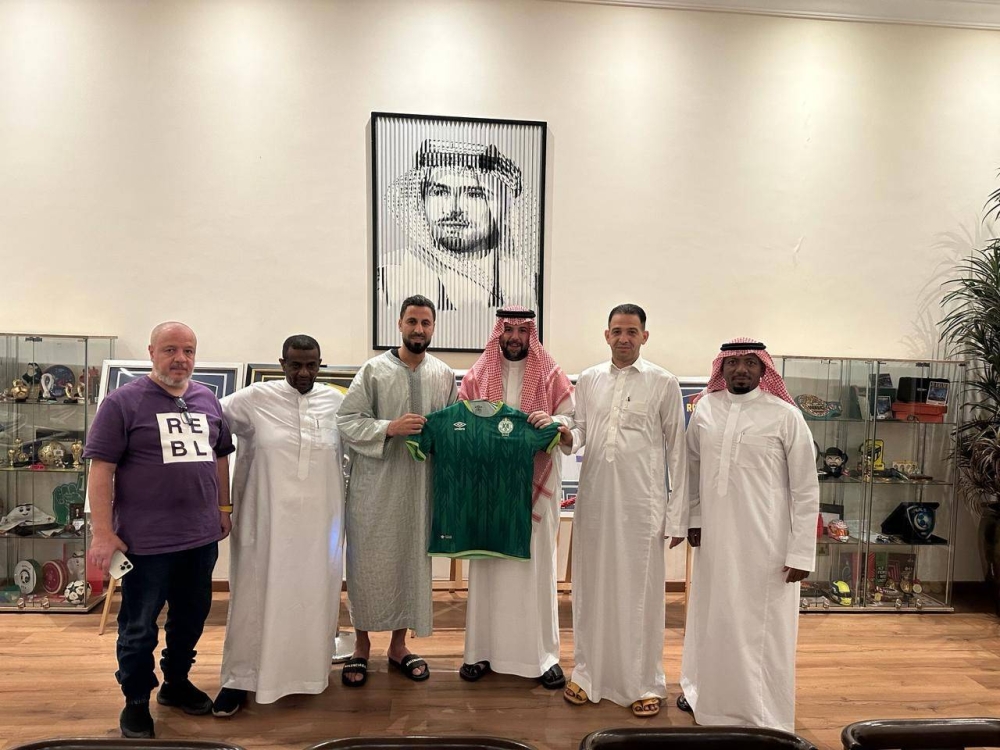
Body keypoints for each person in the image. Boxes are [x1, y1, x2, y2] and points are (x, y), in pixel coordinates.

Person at [85, 321, 235, 738]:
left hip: (200, 538)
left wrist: (223, 507)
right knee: (138, 627)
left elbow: (221, 456)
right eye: (170, 350)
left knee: (190, 618)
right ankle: (135, 701)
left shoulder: (207, 399)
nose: (180, 359)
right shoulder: (122, 403)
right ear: (151, 352)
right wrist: (102, 532)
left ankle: (175, 683)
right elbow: (101, 469)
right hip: (144, 542)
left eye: (188, 350)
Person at [678, 338, 819, 732]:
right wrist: (694, 518)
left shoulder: (785, 416)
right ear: (721, 368)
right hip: (715, 540)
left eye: (750, 363)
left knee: (760, 629)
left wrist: (801, 551)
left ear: (763, 370)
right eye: (733, 362)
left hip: (767, 545)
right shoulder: (705, 410)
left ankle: (762, 712)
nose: (741, 369)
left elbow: (806, 488)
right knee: (712, 617)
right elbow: (692, 468)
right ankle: (705, 694)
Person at [562, 304, 688, 718]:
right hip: (596, 499)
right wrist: (566, 434)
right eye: (617, 331)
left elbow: (678, 450)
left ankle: (643, 682)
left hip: (642, 505)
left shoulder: (663, 382)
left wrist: (677, 514)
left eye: (632, 331)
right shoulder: (590, 379)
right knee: (592, 585)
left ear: (644, 336)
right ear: (606, 335)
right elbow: (581, 431)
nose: (624, 338)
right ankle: (587, 674)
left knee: (640, 592)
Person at [211, 335, 346, 717]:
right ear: (282, 363)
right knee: (254, 598)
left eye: (311, 365)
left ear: (320, 365)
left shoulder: (336, 402)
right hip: (265, 523)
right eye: (295, 365)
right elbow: (209, 421)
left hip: (320, 528)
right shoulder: (254, 398)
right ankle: (239, 679)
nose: (303, 372)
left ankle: (308, 675)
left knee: (311, 597)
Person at [336, 294, 457, 686]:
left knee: (411, 562)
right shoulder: (373, 370)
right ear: (400, 324)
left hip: (420, 491)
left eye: (425, 323)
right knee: (367, 564)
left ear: (433, 327)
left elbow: (453, 426)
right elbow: (347, 420)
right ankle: (361, 645)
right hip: (375, 488)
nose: (418, 329)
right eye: (412, 322)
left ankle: (398, 646)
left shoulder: (443, 374)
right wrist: (389, 427)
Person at [455, 307, 574, 689]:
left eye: (523, 331)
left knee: (536, 571)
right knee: (487, 570)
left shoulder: (551, 375)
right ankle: (480, 652)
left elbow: (572, 421)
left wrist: (555, 423)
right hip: (489, 491)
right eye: (508, 329)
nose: (515, 337)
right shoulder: (478, 375)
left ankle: (543, 657)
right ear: (499, 332)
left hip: (535, 490)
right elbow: (459, 421)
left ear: (531, 334)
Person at [377, 139, 539, 350]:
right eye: (439, 192)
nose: (453, 208)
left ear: (501, 207)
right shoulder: (388, 277)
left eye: (474, 194)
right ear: (422, 201)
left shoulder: (526, 281)